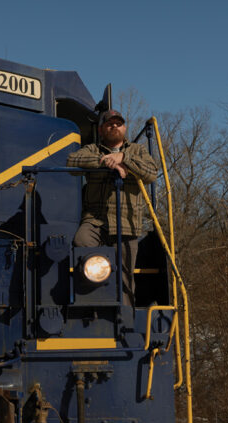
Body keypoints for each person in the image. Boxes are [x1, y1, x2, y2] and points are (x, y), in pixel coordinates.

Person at [66, 109, 160, 305]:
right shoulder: (92, 149)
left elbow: (151, 173)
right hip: (95, 221)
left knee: (125, 277)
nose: (114, 126)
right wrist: (106, 162)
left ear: (124, 128)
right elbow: (72, 161)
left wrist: (124, 159)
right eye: (109, 124)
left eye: (118, 123)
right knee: (81, 240)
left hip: (127, 226)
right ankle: (95, 301)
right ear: (101, 130)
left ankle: (125, 318)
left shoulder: (137, 151)